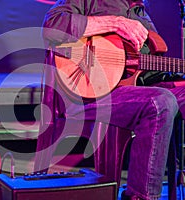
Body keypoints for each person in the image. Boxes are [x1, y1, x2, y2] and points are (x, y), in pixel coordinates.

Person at [39, 0, 185, 199]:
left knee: (170, 95)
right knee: (160, 101)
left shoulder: (139, 10)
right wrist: (115, 23)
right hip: (87, 96)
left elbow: (147, 73)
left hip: (132, 91)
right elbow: (51, 28)